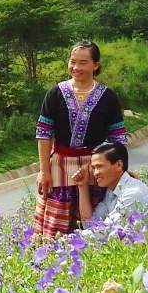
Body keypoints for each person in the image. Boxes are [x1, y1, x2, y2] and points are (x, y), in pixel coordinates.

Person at [34, 40, 128, 239]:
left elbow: (117, 138)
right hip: (59, 167)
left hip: (94, 168)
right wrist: (44, 171)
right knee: (55, 231)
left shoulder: (108, 97)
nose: (76, 67)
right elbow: (43, 133)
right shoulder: (55, 94)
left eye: (83, 62)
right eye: (72, 61)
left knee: (94, 225)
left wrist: (122, 171)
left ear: (95, 65)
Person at [73, 141, 148, 227]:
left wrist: (68, 241)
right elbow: (89, 224)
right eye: (93, 168)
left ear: (119, 165)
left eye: (100, 166)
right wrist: (82, 186)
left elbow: (105, 232)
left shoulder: (132, 193)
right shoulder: (111, 191)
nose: (95, 173)